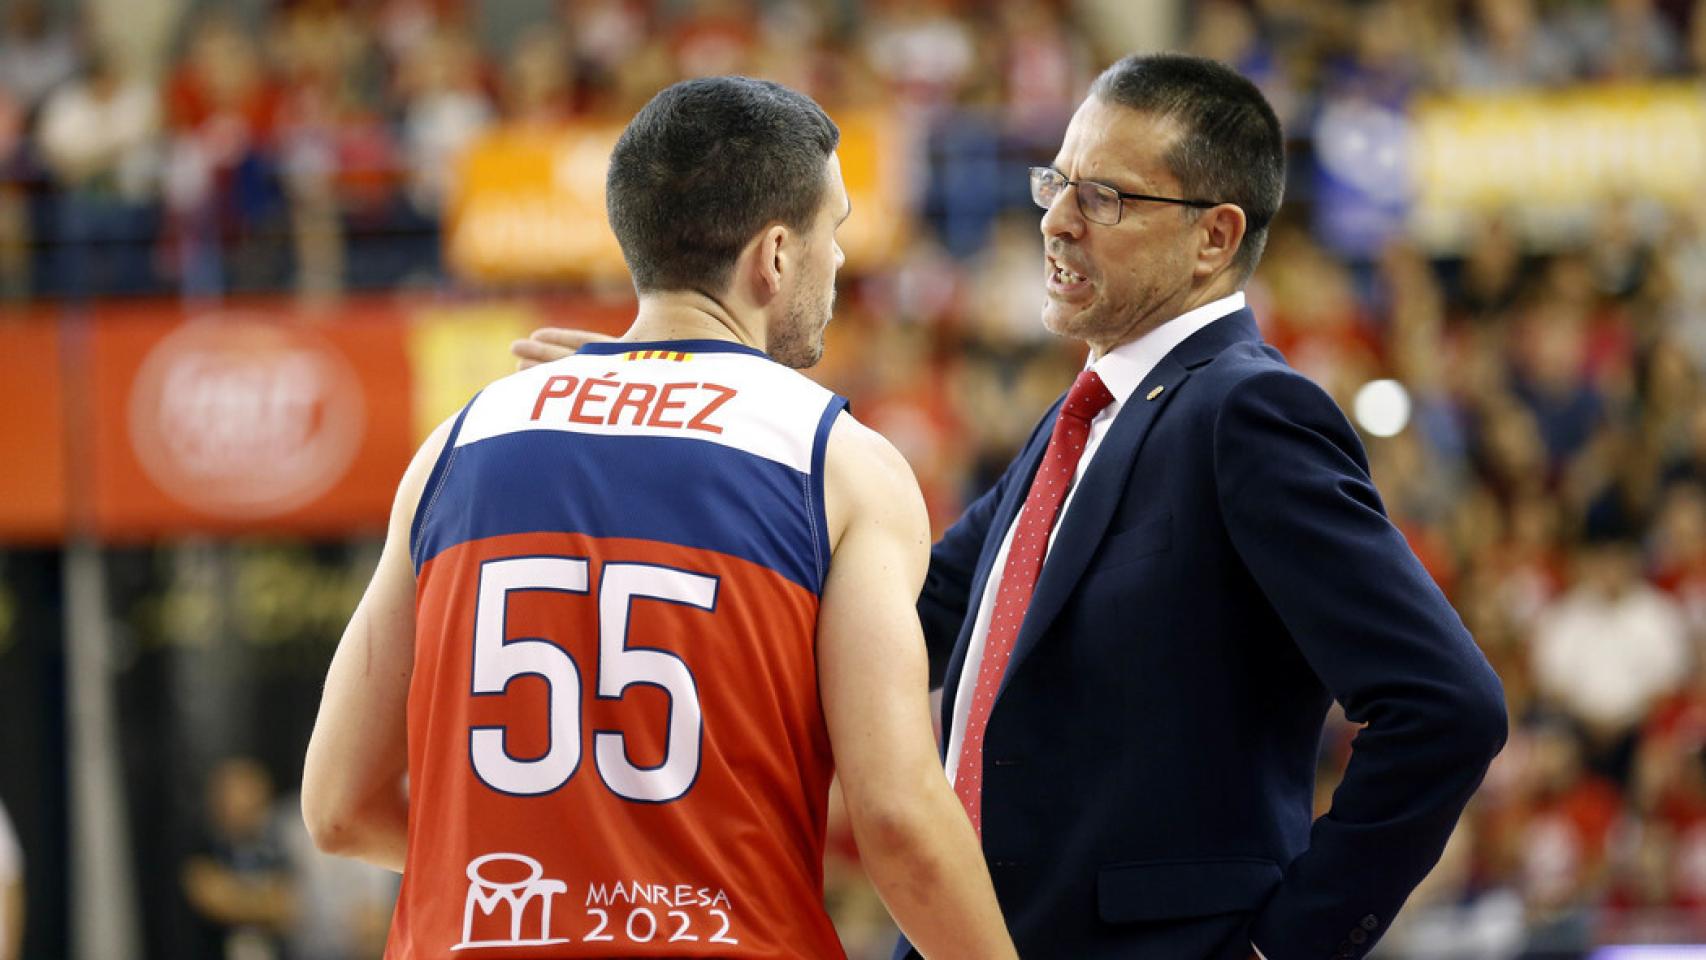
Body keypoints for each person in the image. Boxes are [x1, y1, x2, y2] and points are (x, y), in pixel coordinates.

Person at [516, 54, 1508, 960]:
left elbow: (1444, 707)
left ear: (1215, 236)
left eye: (1105, 196)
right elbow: (895, 625)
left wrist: (1279, 948)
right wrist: (678, 406)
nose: (1056, 219)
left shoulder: (1245, 411)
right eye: (1057, 182)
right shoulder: (1079, 423)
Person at [303, 76, 1015, 960]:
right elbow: (898, 819)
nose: (841, 261)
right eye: (835, 231)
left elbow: (337, 808)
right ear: (777, 254)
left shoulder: (460, 440)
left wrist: (552, 879)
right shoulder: (838, 461)